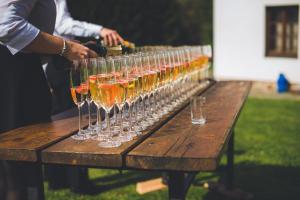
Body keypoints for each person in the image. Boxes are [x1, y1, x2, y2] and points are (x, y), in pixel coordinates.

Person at [0, 0, 97, 199]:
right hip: (12, 82)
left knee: (19, 172)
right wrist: (65, 47)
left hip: (19, 75)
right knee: (17, 172)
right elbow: (6, 25)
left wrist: (60, 53)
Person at [47, 0, 124, 114]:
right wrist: (99, 30)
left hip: (62, 60)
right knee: (67, 112)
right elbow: (62, 24)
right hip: (60, 63)